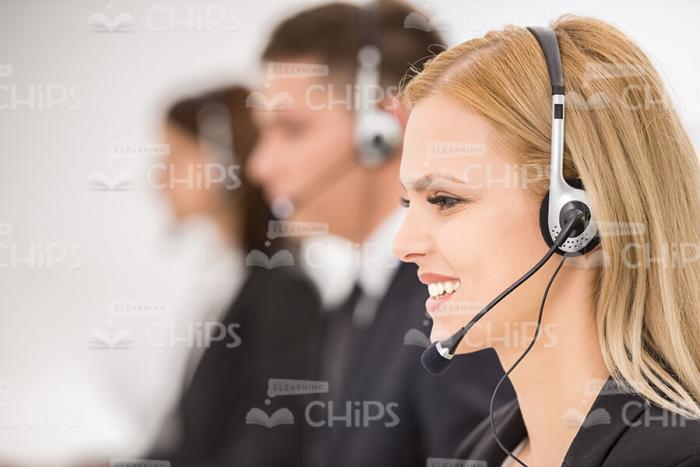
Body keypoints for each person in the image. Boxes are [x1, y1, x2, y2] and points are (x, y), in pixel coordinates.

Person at [394, 14, 700, 466]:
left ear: (575, 216)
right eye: (407, 204)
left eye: (444, 199)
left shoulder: (678, 457)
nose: (403, 244)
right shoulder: (478, 451)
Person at [247, 2, 514, 466]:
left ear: (383, 131)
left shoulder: (453, 306)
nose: (259, 165)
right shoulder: (352, 306)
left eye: (290, 130)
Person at [147, 86, 322, 466]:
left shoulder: (283, 295)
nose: (158, 179)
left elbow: (264, 449)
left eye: (173, 158)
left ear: (222, 164)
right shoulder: (227, 282)